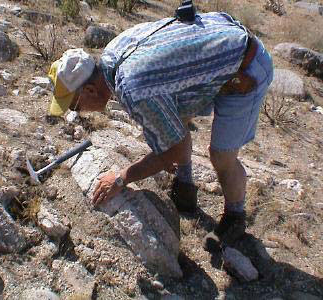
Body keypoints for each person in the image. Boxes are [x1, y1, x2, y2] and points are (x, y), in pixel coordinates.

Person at [47, 11, 274, 251]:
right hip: (217, 53)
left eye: (74, 105)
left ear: (91, 90)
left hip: (245, 67)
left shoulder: (132, 88)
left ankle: (234, 218)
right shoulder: (112, 55)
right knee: (174, 122)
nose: (78, 112)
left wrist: (121, 178)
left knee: (221, 156)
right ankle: (185, 186)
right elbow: (170, 129)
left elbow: (171, 152)